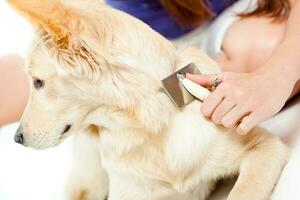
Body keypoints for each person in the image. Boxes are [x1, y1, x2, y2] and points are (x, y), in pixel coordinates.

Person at [1, 0, 299, 135]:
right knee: (37, 79)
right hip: (141, 37)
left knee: (264, 49)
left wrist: (276, 76)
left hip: (233, 19)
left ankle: (166, 99)